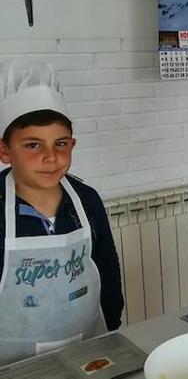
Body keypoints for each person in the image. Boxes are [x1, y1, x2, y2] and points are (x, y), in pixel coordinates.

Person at [0, 59, 123, 365]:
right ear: (4, 151)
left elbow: (107, 268)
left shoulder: (87, 200)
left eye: (61, 143)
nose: (50, 157)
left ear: (73, 143)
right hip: (13, 364)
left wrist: (113, 328)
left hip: (90, 350)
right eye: (32, 145)